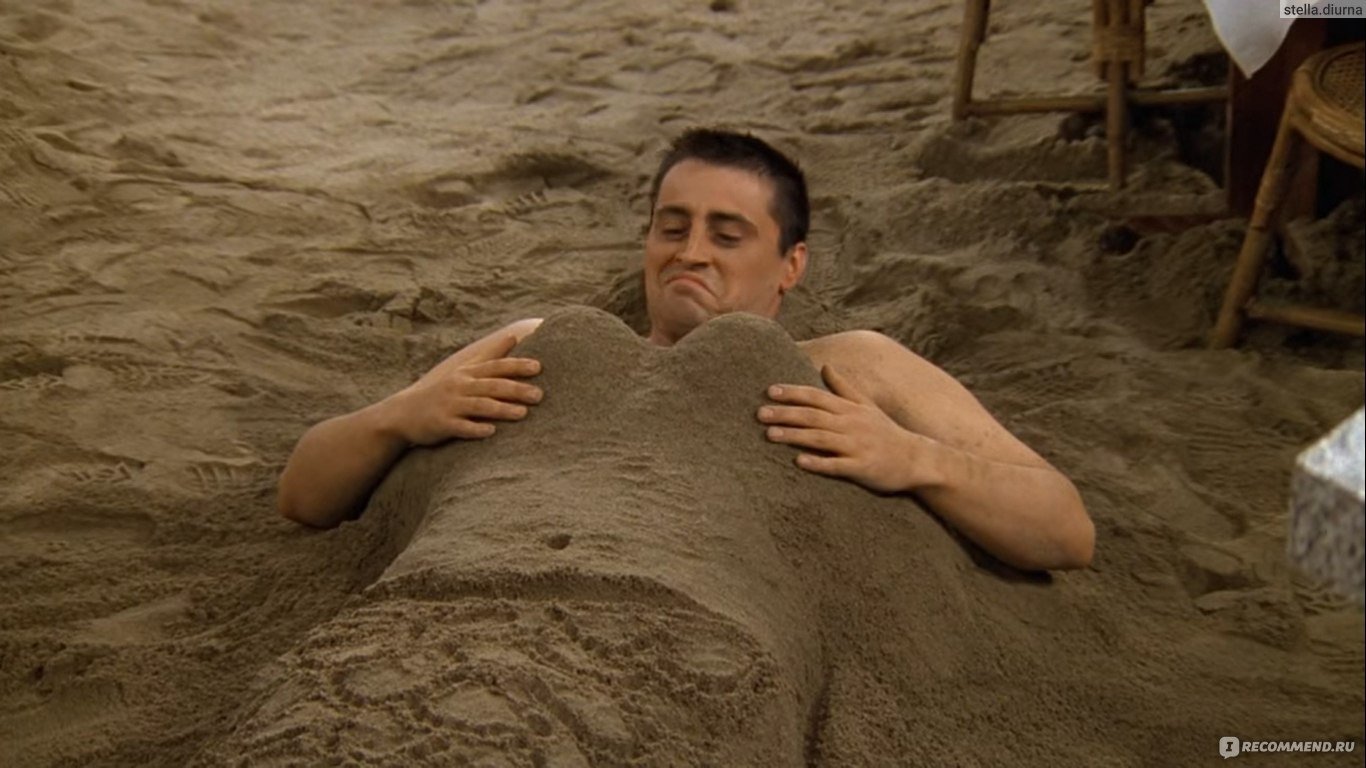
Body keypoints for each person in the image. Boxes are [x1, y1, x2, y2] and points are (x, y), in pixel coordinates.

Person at [277, 129, 1095, 572]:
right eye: (672, 227)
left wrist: (916, 458)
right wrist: (398, 418)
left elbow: (1065, 529)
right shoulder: (537, 346)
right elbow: (305, 495)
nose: (690, 252)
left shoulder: (853, 365)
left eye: (727, 234)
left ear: (791, 265)